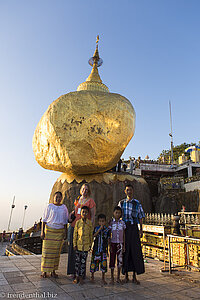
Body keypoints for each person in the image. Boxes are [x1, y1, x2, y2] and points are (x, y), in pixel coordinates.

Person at [67, 183, 96, 278]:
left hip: (84, 228)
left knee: (82, 251)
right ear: (81, 190)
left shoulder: (91, 201)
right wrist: (70, 217)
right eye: (83, 189)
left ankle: (81, 272)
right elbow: (74, 211)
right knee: (73, 248)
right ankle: (72, 271)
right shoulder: (78, 199)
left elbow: (92, 216)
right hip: (74, 226)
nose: (84, 191)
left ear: (89, 191)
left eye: (86, 189)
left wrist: (91, 228)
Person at [118, 184, 145, 284]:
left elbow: (141, 216)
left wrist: (141, 229)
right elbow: (118, 216)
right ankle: (126, 276)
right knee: (125, 251)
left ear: (133, 191)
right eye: (127, 190)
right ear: (125, 191)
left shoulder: (137, 203)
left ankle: (134, 276)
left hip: (134, 228)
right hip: (125, 229)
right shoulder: (121, 203)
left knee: (135, 252)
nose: (129, 192)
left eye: (130, 190)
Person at [41, 191, 68, 278]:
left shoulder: (64, 207)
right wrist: (42, 232)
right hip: (49, 231)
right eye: (56, 197)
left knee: (56, 253)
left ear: (62, 198)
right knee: (46, 252)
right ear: (53, 197)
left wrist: (65, 232)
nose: (58, 198)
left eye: (59, 197)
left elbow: (65, 221)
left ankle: (53, 271)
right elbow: (44, 220)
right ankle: (44, 271)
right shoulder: (49, 206)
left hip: (59, 232)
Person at [73, 206, 93, 285]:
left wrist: (90, 245)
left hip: (86, 247)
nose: (84, 213)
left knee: (83, 263)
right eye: (83, 212)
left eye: (86, 212)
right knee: (77, 263)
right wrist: (74, 244)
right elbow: (75, 234)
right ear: (80, 213)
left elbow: (91, 235)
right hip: (79, 246)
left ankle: (81, 278)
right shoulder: (78, 222)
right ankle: (77, 277)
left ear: (88, 214)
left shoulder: (89, 223)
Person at [90, 214, 110, 285]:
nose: (101, 223)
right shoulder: (96, 228)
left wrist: (107, 250)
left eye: (103, 221)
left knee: (103, 265)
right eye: (100, 221)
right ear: (98, 222)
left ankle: (103, 278)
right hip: (96, 250)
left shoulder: (107, 230)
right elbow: (94, 235)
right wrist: (99, 230)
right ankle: (92, 277)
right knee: (93, 264)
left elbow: (108, 240)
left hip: (103, 250)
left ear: (105, 222)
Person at [109, 206, 126, 284]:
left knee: (120, 261)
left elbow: (124, 235)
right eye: (116, 212)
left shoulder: (122, 223)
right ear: (113, 213)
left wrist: (124, 245)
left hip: (120, 244)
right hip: (113, 243)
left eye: (119, 213)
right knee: (112, 260)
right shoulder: (111, 223)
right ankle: (112, 277)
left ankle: (118, 277)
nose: (117, 214)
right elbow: (109, 234)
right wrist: (109, 246)